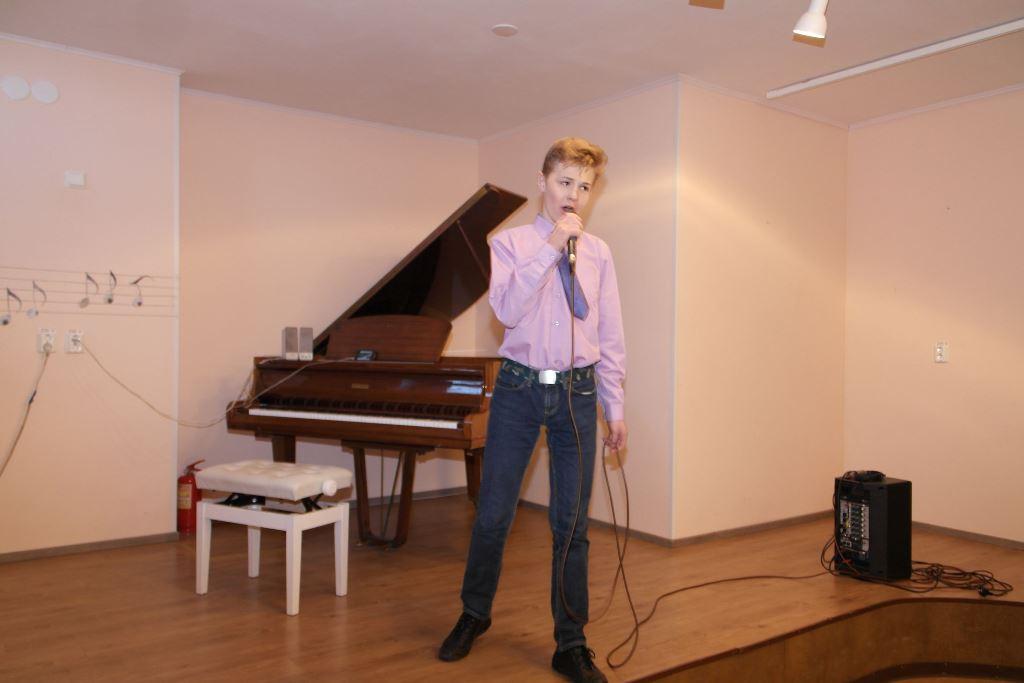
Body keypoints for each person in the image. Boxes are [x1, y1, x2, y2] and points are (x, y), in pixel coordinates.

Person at [438, 137, 627, 683]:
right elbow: (505, 311)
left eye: (585, 187)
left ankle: (571, 642)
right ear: (542, 181)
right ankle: (475, 613)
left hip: (578, 394)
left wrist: (615, 404)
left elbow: (609, 333)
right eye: (565, 182)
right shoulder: (510, 244)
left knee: (572, 525)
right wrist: (551, 248)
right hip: (519, 390)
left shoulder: (600, 253)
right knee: (494, 512)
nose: (574, 196)